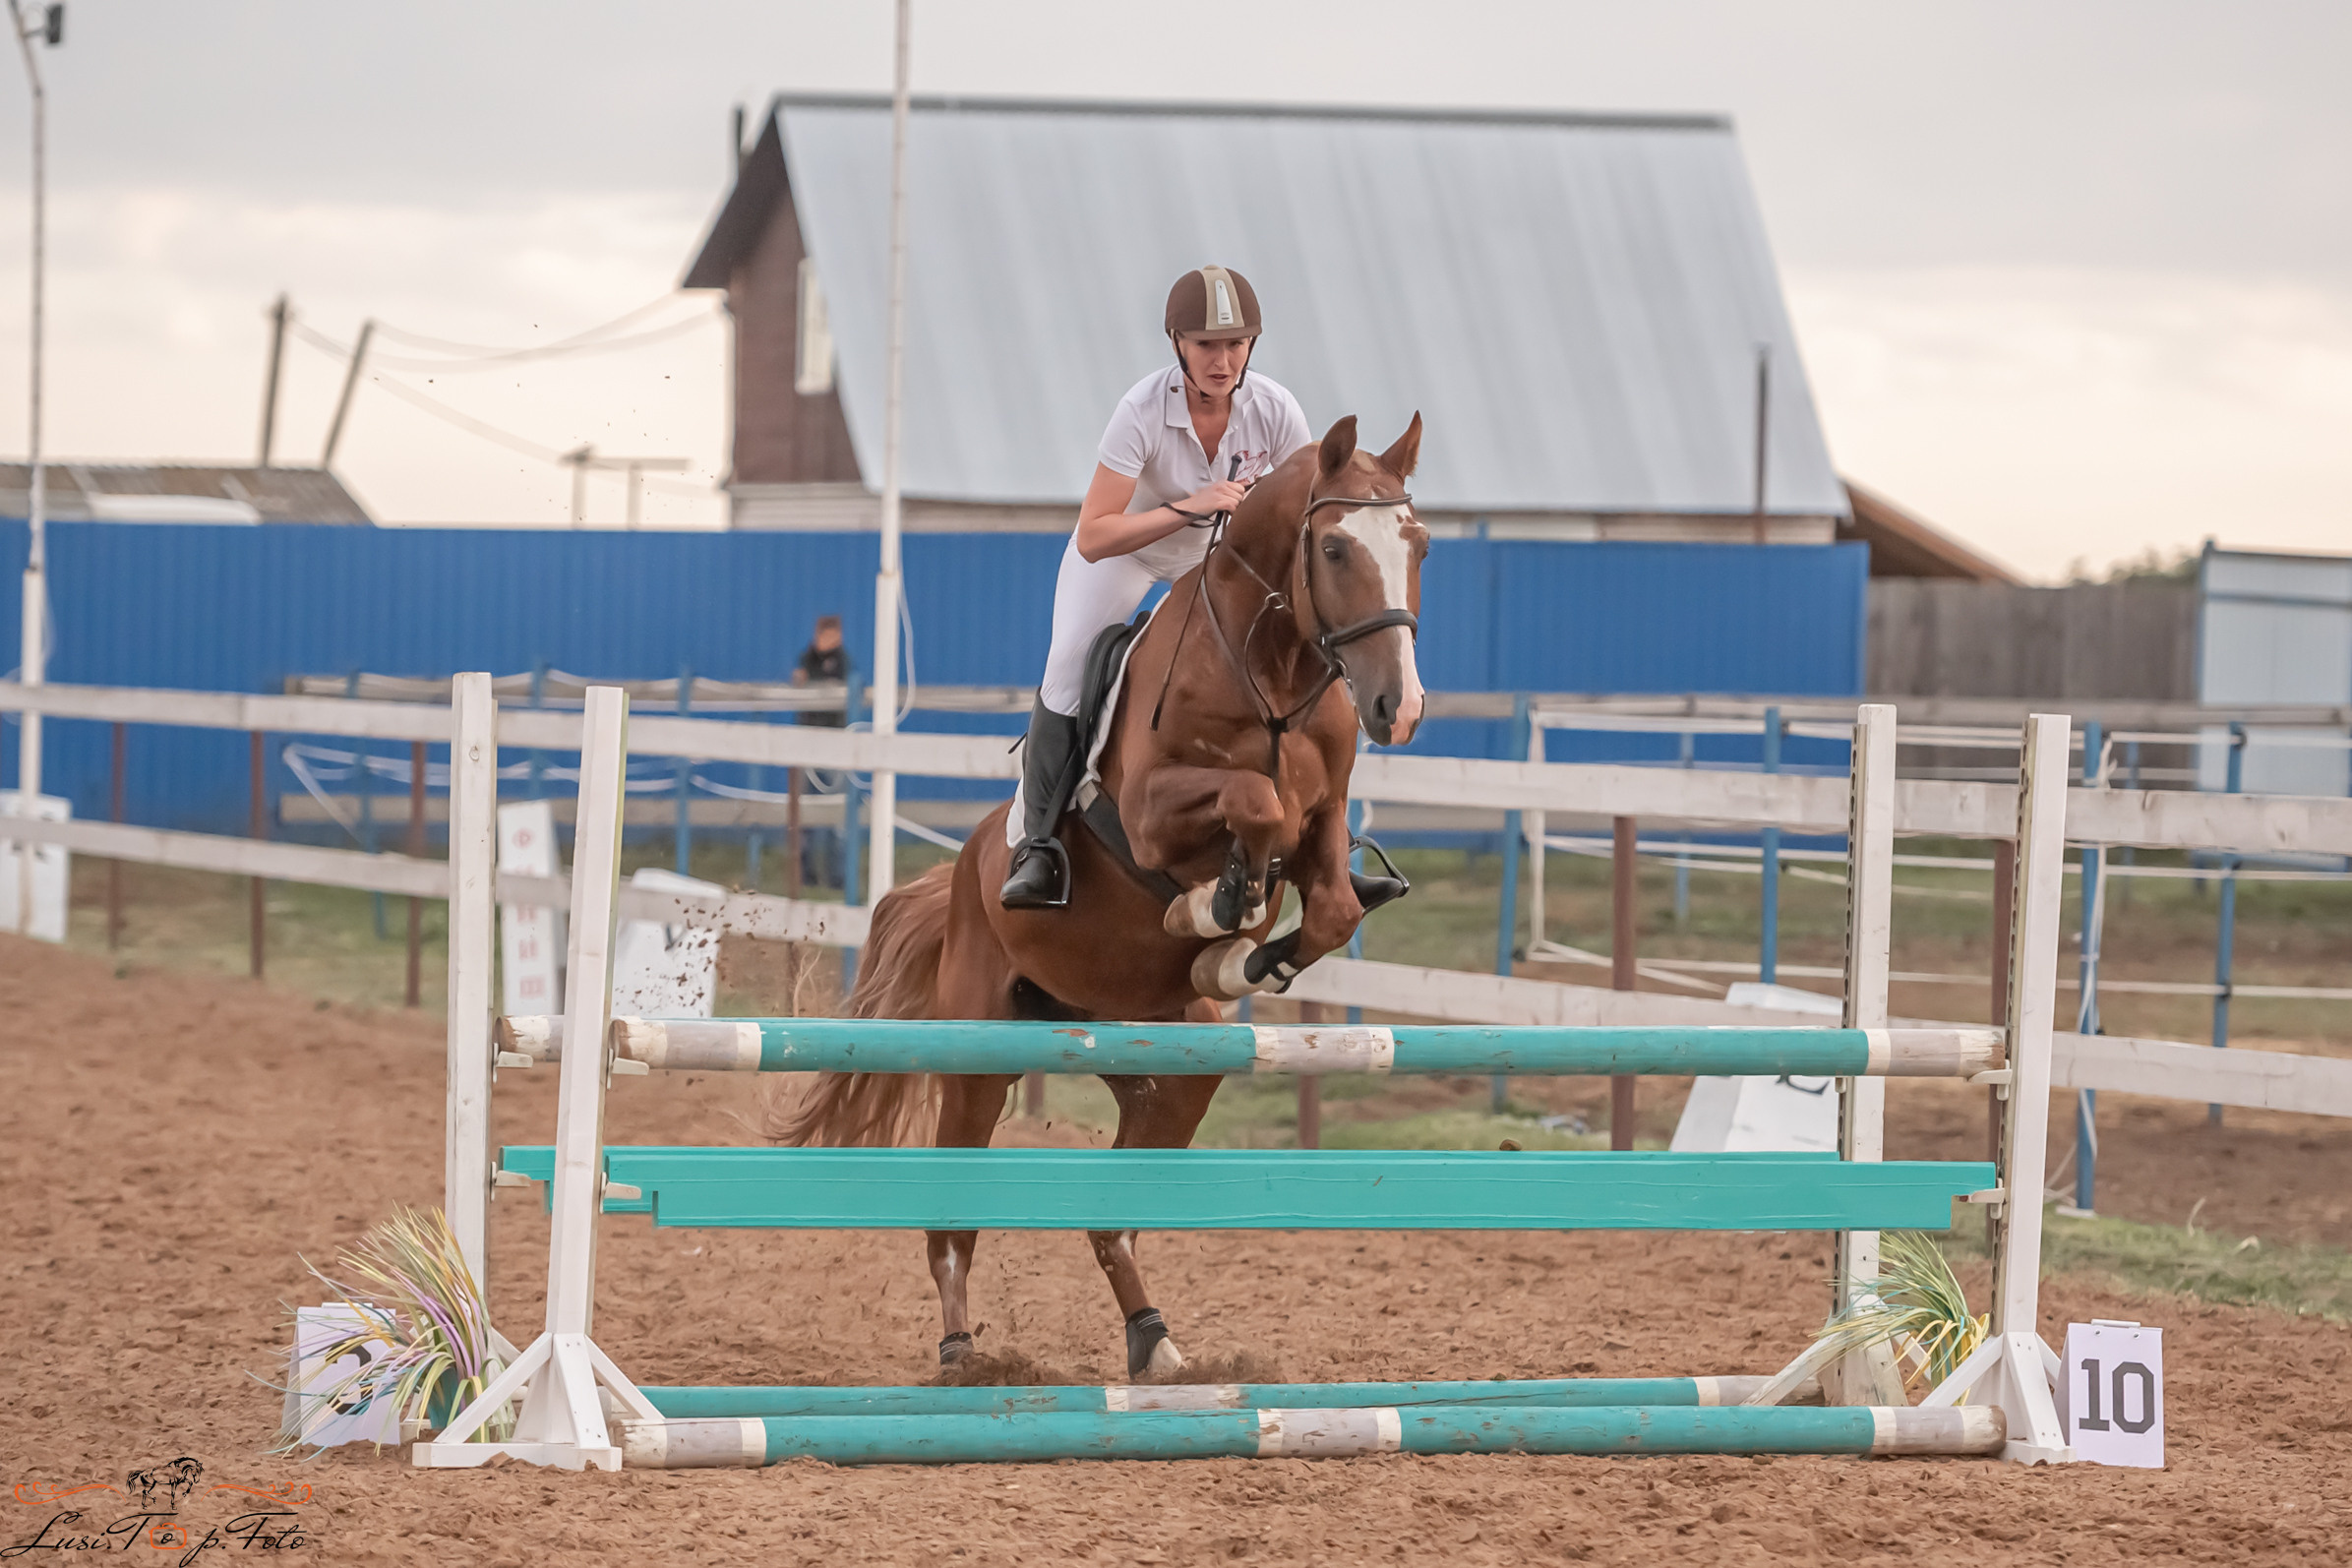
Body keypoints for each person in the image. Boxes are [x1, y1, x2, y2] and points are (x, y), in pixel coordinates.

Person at [999, 266, 1314, 908]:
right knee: (1066, 670)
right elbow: (1094, 535)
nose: (1222, 360)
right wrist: (1189, 508)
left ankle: (1328, 833)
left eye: (1235, 345)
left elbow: (1299, 516)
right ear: (1176, 342)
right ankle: (1037, 845)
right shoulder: (1141, 409)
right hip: (1129, 555)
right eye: (1206, 345)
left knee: (1295, 660)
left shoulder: (1276, 410)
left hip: (1218, 563)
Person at [791, 614, 849, 888]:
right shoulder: (807, 660)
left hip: (834, 746)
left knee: (837, 817)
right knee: (805, 817)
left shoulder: (843, 662)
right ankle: (806, 875)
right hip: (808, 744)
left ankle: (836, 876)